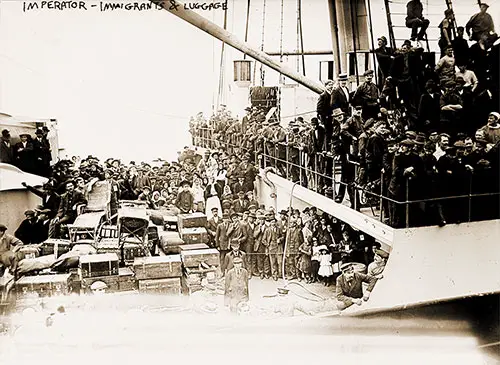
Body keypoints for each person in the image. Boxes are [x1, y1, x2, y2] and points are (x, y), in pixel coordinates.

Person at [316, 80, 335, 151]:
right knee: (327, 134)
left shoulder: (333, 94)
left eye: (332, 85)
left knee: (331, 134)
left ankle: (330, 148)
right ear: (326, 86)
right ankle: (327, 149)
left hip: (332, 117)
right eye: (329, 85)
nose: (331, 87)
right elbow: (319, 109)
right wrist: (325, 116)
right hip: (326, 119)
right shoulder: (323, 96)